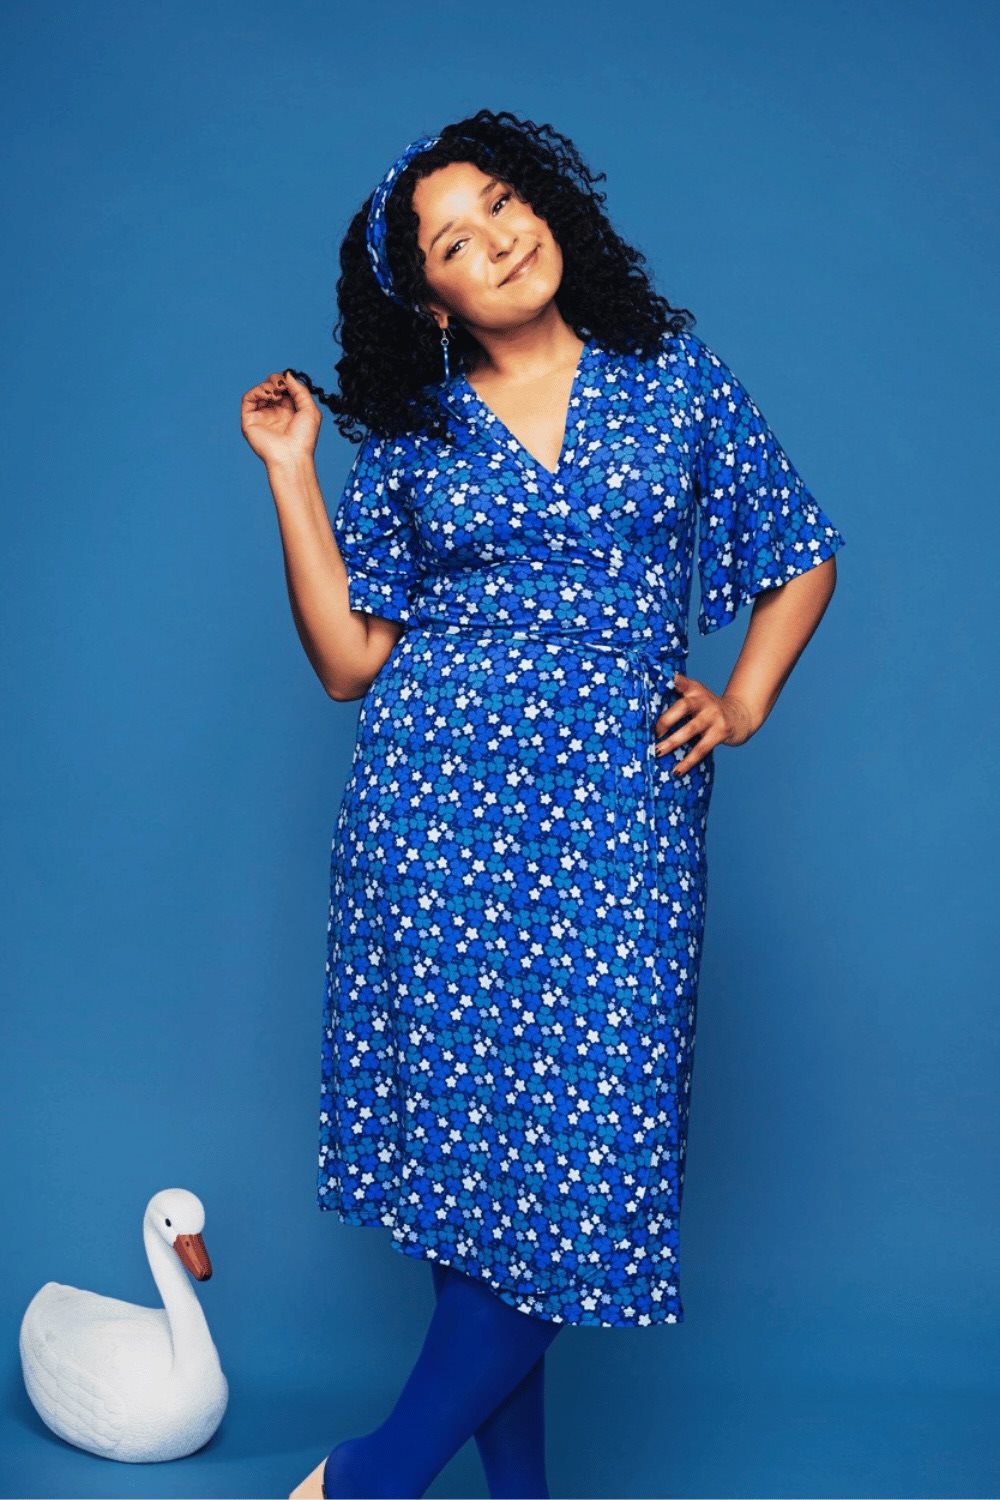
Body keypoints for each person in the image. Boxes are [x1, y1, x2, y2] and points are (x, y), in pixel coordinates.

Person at [240, 109, 847, 1500]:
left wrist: (743, 699)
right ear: (429, 297)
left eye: (504, 202)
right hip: (434, 810)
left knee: (582, 1156)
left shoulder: (673, 377)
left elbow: (800, 548)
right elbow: (347, 662)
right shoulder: (415, 431)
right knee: (476, 1170)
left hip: (623, 812)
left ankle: (368, 1479)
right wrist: (292, 473)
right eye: (455, 241)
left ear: (548, 202)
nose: (500, 240)